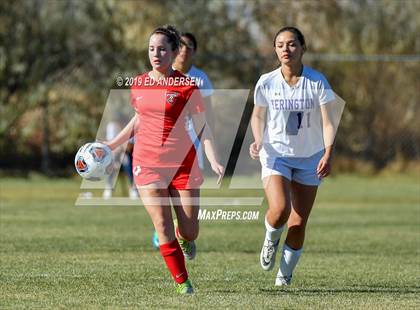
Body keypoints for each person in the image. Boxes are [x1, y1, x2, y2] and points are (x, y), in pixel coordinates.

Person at [104, 25, 223, 294]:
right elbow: (139, 119)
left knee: (190, 230)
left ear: (173, 52)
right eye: (151, 49)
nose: (155, 54)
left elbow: (203, 127)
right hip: (147, 163)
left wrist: (213, 158)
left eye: (161, 49)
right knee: (161, 224)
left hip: (183, 164)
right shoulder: (138, 84)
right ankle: (183, 282)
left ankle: (185, 238)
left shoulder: (187, 86)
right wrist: (113, 144)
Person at [250, 26, 337, 287]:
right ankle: (270, 239)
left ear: (302, 48)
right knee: (279, 211)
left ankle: (284, 277)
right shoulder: (266, 81)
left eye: (291, 44)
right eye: (280, 44)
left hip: (310, 158)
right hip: (276, 154)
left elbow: (329, 122)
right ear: (275, 49)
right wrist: (257, 139)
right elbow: (257, 115)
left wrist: (328, 154)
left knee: (298, 223)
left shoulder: (317, 81)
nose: (285, 49)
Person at [152, 32, 215, 249]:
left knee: (188, 199)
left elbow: (208, 114)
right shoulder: (161, 75)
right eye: (182, 45)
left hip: (194, 141)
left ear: (194, 52)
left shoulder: (200, 79)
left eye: (190, 46)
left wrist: (210, 144)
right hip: (167, 143)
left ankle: (183, 230)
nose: (185, 49)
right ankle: (165, 226)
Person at [103, 120, 138, 200]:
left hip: (126, 154)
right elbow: (111, 146)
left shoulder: (132, 125)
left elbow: (129, 147)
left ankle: (133, 188)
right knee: (112, 159)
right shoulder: (112, 126)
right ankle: (109, 187)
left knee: (126, 159)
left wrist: (120, 146)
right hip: (115, 154)